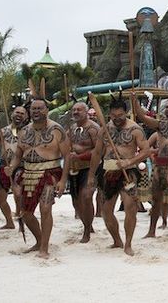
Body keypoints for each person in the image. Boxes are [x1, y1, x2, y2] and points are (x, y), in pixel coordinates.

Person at [8, 97, 69, 258]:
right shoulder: (24, 131)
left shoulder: (57, 130)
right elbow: (18, 154)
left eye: (40, 108)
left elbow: (67, 156)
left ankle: (44, 248)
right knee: (25, 213)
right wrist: (12, 167)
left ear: (46, 110)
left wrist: (63, 180)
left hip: (50, 173)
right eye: (33, 109)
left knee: (45, 208)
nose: (36, 112)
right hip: (28, 173)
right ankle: (40, 240)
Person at [92, 95, 150, 256]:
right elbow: (97, 153)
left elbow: (146, 151)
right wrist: (91, 175)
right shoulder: (104, 129)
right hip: (107, 171)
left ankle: (128, 244)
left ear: (126, 113)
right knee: (106, 210)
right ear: (109, 114)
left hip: (128, 172)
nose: (117, 119)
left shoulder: (135, 129)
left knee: (130, 207)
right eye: (114, 116)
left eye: (120, 116)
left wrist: (129, 161)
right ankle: (117, 240)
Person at [133, 95, 168, 239]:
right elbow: (142, 117)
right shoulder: (160, 125)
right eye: (166, 107)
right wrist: (135, 103)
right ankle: (151, 231)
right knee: (156, 201)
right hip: (159, 166)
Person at [0, 105, 29, 230]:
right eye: (17, 112)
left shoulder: (29, 131)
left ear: (26, 116)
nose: (19, 115)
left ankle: (22, 221)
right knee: (0, 199)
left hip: (21, 166)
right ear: (12, 115)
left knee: (18, 194)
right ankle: (9, 222)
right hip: (4, 166)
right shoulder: (3, 131)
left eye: (22, 113)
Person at [67, 100, 101, 242]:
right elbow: (65, 146)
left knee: (86, 197)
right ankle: (87, 224)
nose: (75, 112)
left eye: (79, 110)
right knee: (76, 202)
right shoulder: (72, 128)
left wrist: (81, 155)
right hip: (74, 169)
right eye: (74, 110)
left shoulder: (93, 128)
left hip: (90, 168)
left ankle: (87, 230)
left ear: (86, 112)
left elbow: (99, 151)